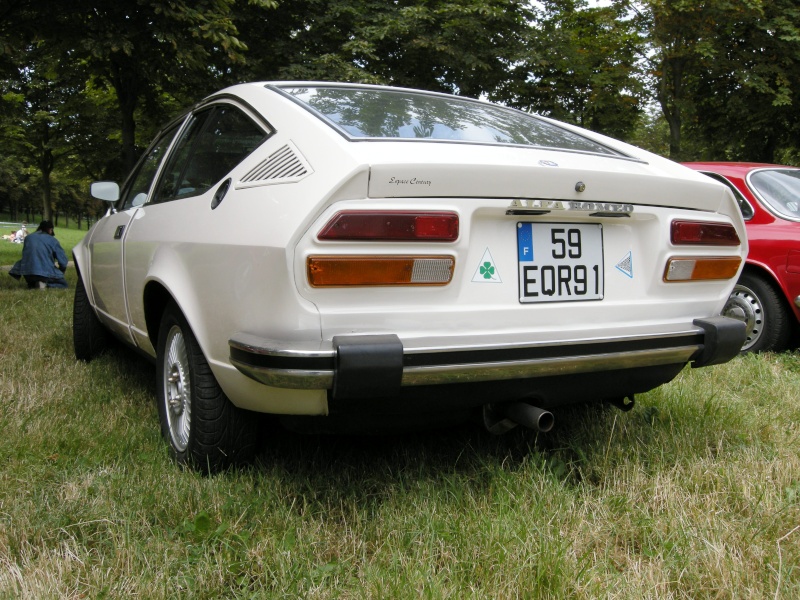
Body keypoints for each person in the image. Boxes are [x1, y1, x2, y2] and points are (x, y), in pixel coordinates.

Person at [8, 220, 69, 289]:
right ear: (50, 230)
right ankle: (46, 285)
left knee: (32, 281)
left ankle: (34, 284)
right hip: (44, 272)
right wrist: (61, 272)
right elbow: (63, 262)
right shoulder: (52, 240)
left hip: (27, 273)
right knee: (64, 285)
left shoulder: (28, 238)